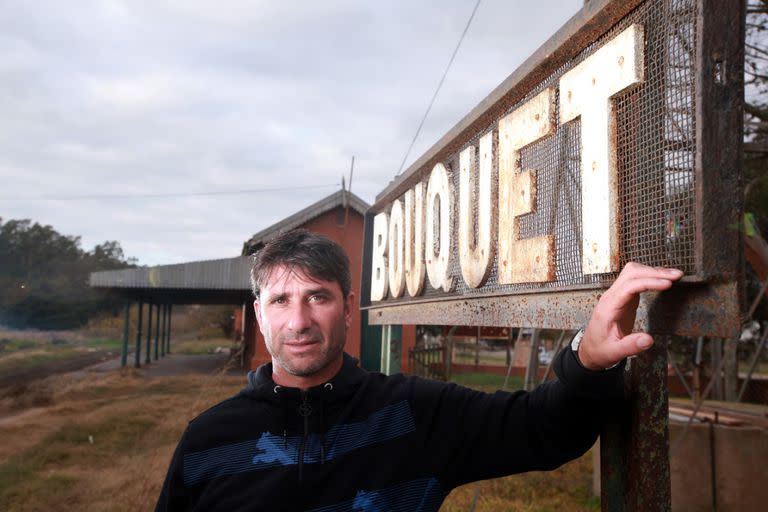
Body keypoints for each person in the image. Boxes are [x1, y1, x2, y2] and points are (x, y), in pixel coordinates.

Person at [156, 229, 683, 511]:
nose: (298, 321)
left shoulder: (411, 414)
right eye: (280, 301)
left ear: (347, 304)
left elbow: (544, 430)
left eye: (318, 297)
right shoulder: (207, 440)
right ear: (258, 314)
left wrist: (587, 359)